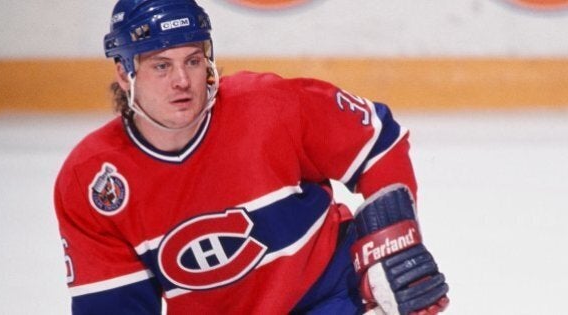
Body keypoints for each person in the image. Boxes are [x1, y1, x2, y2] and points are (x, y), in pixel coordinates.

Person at [53, 0, 450, 314]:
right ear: (125, 74)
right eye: (161, 66)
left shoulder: (267, 106)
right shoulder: (93, 182)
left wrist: (393, 243)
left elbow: (378, 142)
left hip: (336, 295)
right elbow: (116, 307)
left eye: (193, 60)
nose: (182, 81)